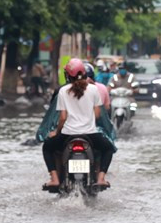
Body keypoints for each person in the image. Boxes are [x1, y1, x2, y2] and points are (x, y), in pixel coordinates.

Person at [42, 58, 115, 190]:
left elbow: (62, 118)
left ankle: (54, 179)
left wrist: (56, 132)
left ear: (68, 76)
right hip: (91, 135)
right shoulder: (94, 90)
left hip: (68, 135)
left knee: (47, 147)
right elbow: (98, 114)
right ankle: (101, 178)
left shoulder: (63, 91)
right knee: (108, 148)